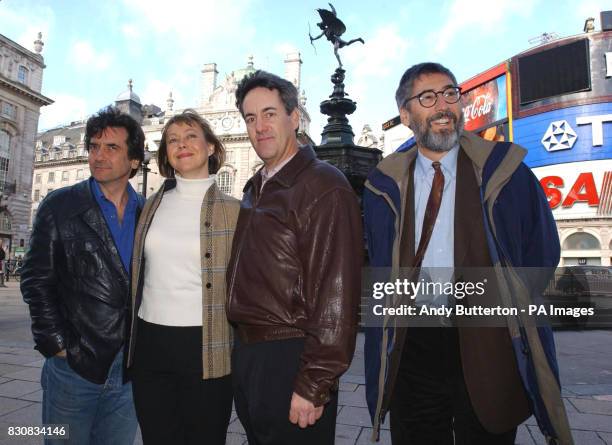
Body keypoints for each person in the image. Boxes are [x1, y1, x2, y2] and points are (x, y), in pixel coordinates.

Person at [363, 62, 573, 445]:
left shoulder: (506, 172)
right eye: (427, 97)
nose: (443, 105)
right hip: (414, 348)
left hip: (488, 343)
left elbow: (541, 254)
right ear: (407, 115)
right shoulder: (383, 185)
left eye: (450, 93)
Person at [227, 70, 363, 445]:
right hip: (251, 354)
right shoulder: (257, 186)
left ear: (294, 118)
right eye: (250, 118)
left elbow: (337, 295)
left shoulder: (323, 185)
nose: (259, 127)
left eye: (269, 113)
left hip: (292, 355)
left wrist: (314, 382)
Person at [21, 106, 144, 445]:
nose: (98, 156)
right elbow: (35, 279)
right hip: (74, 366)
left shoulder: (148, 213)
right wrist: (57, 346)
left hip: (129, 371)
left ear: (134, 160)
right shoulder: (59, 205)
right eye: (93, 147)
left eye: (111, 148)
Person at [126, 110, 238, 445]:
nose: (181, 144)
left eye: (191, 136)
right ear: (165, 155)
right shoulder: (148, 206)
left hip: (206, 346)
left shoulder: (236, 211)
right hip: (149, 345)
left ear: (211, 149)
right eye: (172, 140)